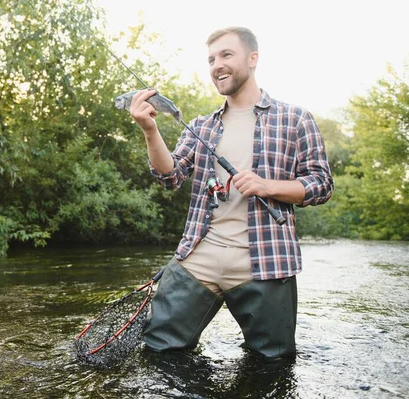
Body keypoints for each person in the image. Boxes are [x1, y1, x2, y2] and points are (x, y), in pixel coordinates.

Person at [129, 27, 334, 359]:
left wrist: (269, 187)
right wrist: (150, 131)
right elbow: (171, 176)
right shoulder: (201, 126)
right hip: (199, 258)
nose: (216, 65)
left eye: (226, 55)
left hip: (265, 263)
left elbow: (322, 184)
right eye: (211, 59)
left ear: (253, 59)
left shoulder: (295, 119)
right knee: (158, 352)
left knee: (272, 364)